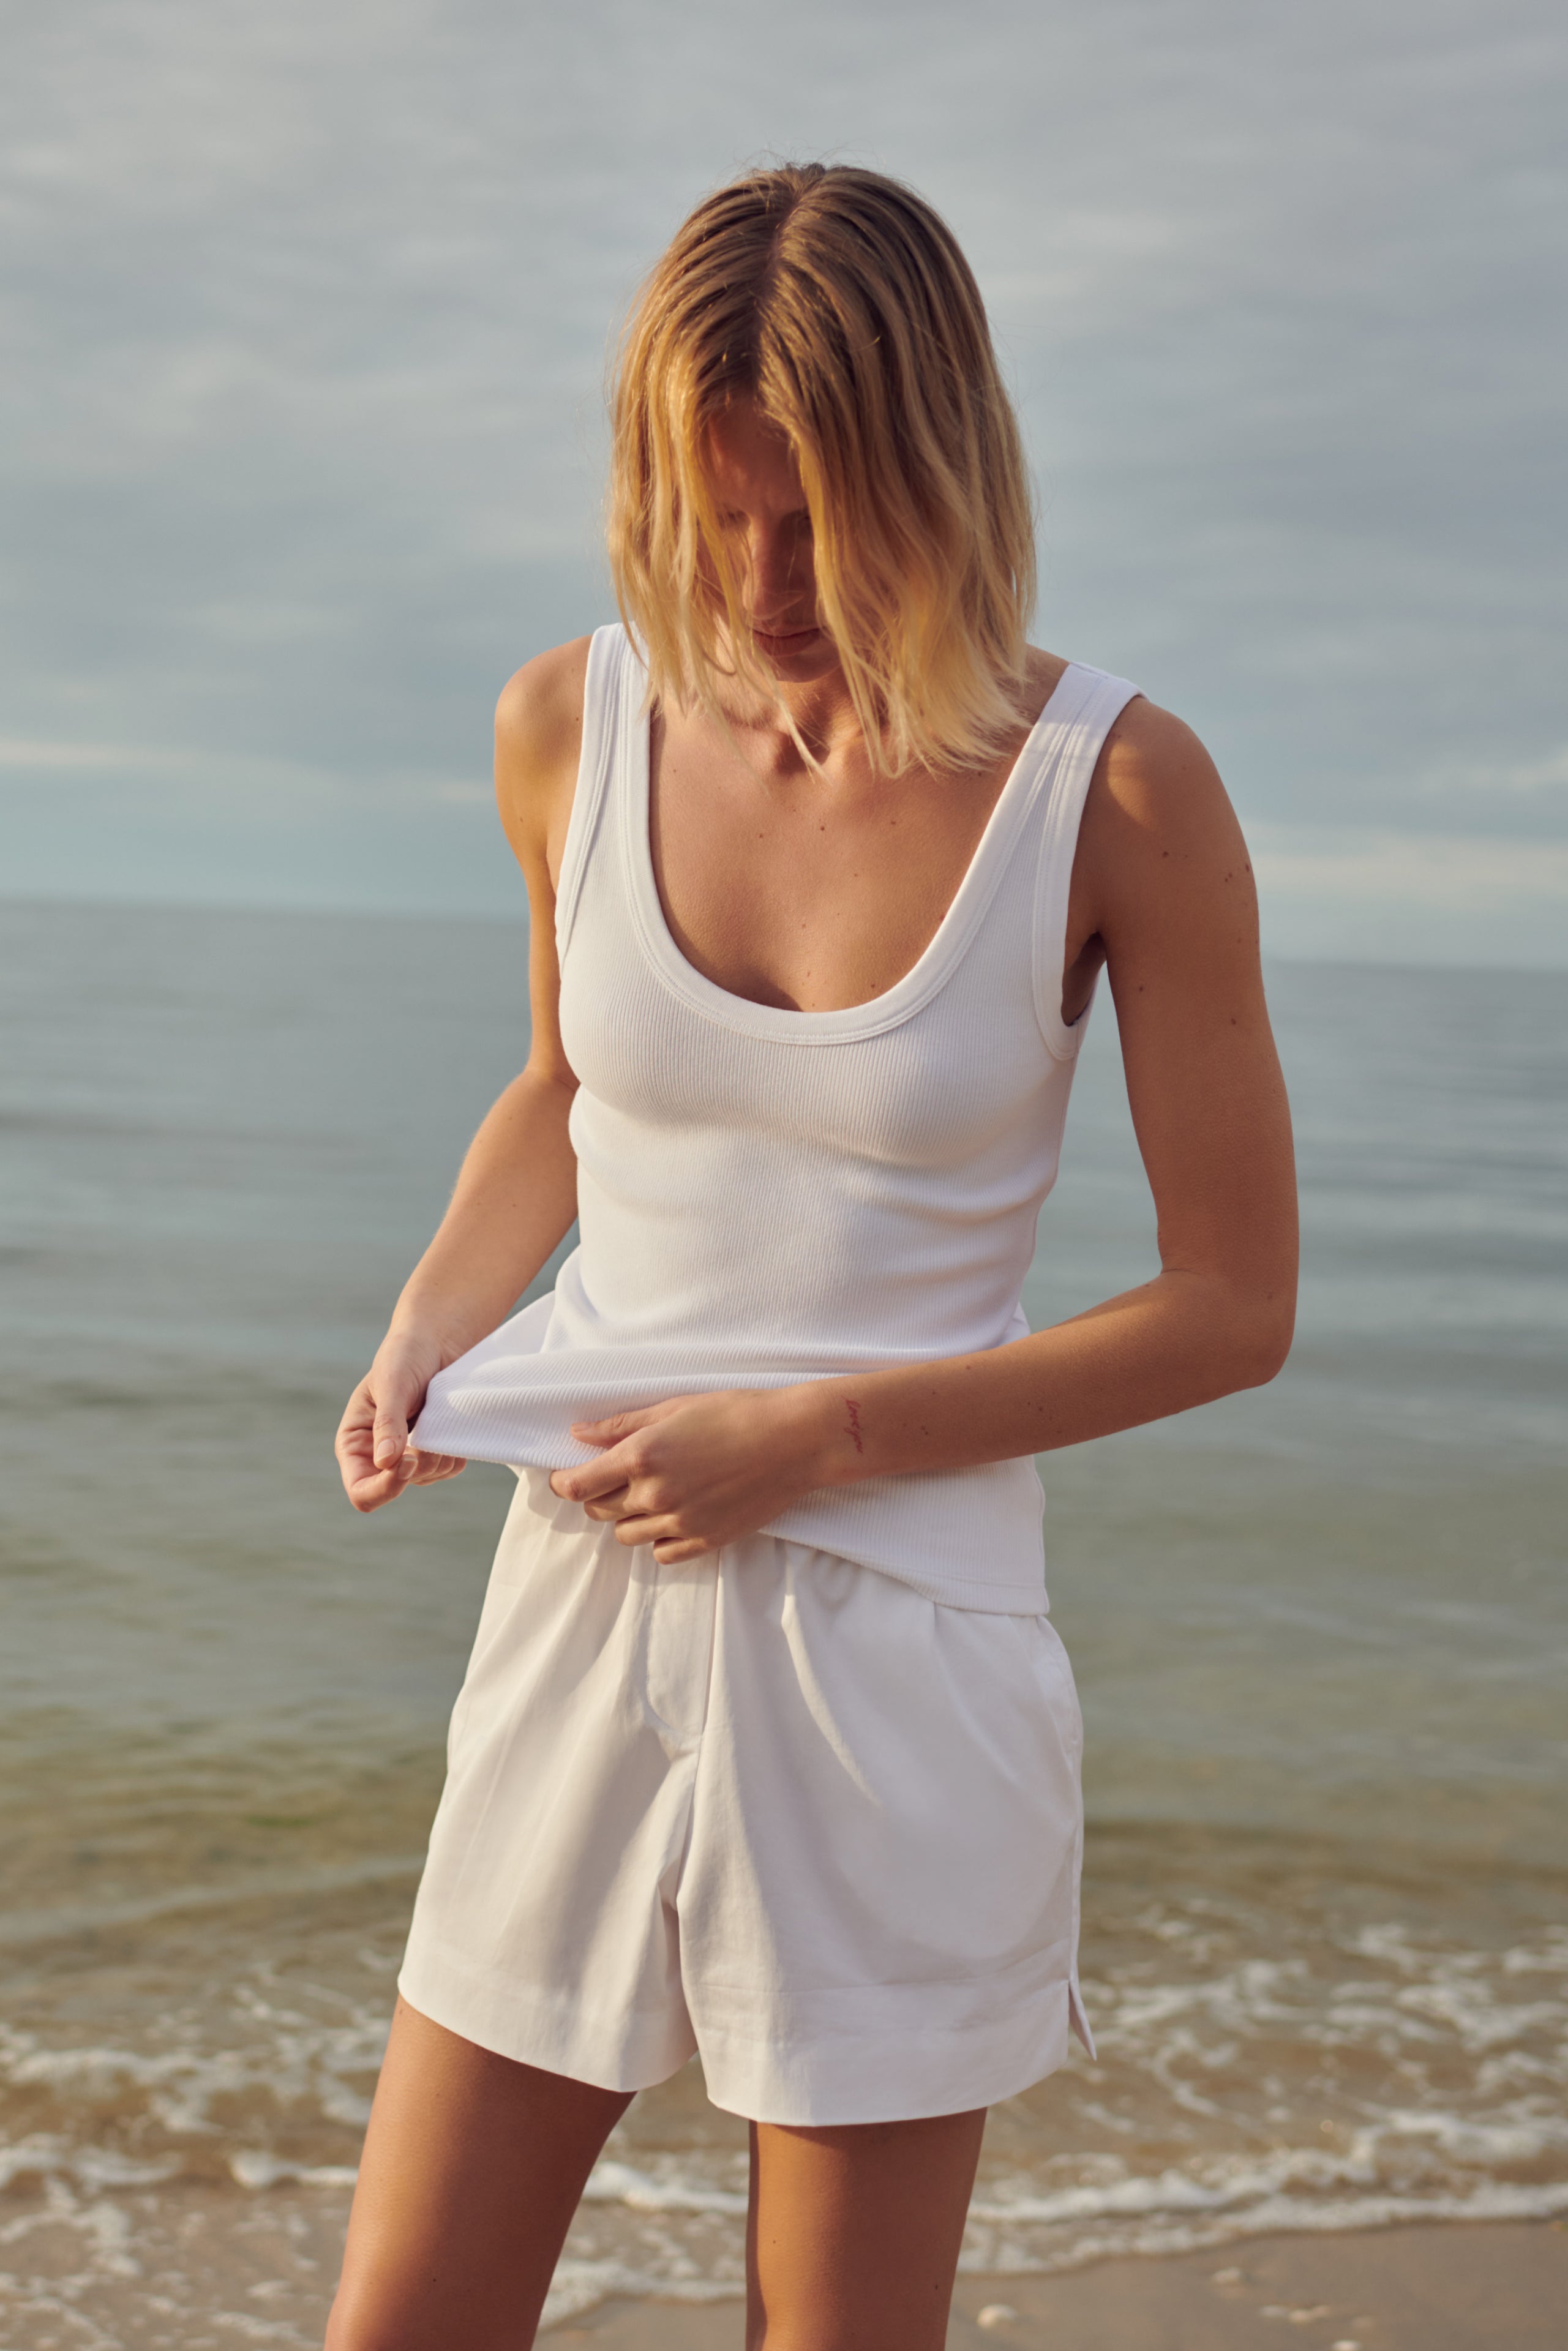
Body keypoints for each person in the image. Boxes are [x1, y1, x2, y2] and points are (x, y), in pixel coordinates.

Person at [326, 163, 1297, 2351]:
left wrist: (823, 1433)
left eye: (823, 517)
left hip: (898, 1659)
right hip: (582, 1604)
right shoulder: (565, 727)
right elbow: (569, 1095)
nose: (763, 582)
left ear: (941, 473)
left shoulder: (1116, 791)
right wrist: (424, 1326)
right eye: (714, 510)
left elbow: (1236, 1304)